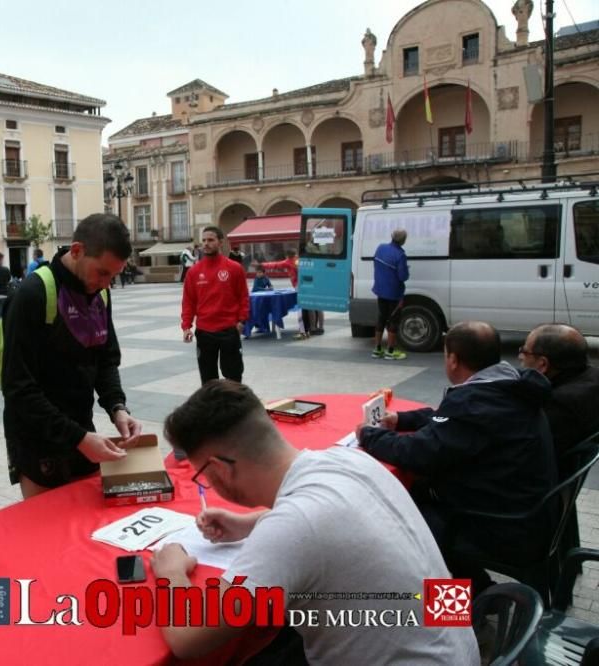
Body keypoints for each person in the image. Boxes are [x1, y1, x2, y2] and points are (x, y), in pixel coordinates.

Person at [151, 380, 479, 664]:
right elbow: (326, 522)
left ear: (219, 469)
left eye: (202, 477)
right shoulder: (346, 459)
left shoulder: (292, 528)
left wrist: (171, 573)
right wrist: (249, 524)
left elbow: (188, 638)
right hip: (453, 647)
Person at [357, 321, 557, 596]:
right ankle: (482, 593)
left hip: (501, 522)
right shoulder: (508, 384)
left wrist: (369, 436)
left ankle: (453, 621)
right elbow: (451, 420)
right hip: (522, 507)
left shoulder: (477, 401)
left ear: (453, 359)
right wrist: (403, 419)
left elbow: (419, 454)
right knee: (417, 499)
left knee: (408, 523)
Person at [1, 213, 142, 498]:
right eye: (102, 273)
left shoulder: (100, 294)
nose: (106, 284)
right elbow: (18, 387)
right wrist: (79, 438)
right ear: (77, 251)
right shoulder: (33, 293)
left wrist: (117, 407)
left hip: (81, 434)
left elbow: (105, 360)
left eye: (113, 276)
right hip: (38, 441)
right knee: (49, 531)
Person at [519, 324, 599, 464]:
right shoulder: (592, 378)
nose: (520, 357)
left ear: (543, 364)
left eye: (524, 351)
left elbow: (526, 454)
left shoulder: (559, 403)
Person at [181, 226, 249, 384]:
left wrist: (241, 321)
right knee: (208, 378)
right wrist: (186, 326)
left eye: (210, 240)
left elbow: (243, 297)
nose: (206, 243)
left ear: (220, 242)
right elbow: (188, 301)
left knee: (233, 376)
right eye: (204, 240)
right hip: (205, 332)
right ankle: (213, 408)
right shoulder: (194, 272)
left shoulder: (234, 268)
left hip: (229, 331)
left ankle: (234, 407)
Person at [371, 228, 410, 360]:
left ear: (392, 236)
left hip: (380, 290)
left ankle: (377, 349)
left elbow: (375, 263)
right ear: (403, 241)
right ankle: (391, 351)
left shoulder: (380, 248)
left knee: (381, 317)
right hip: (394, 293)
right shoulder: (400, 255)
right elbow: (403, 276)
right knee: (393, 320)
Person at [260, 249, 310, 339]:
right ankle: (307, 330)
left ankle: (303, 332)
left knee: (300, 309)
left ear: (287, 256)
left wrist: (261, 265)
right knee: (306, 309)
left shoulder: (289, 262)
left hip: (299, 286)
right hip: (306, 285)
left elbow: (275, 265)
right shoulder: (299, 260)